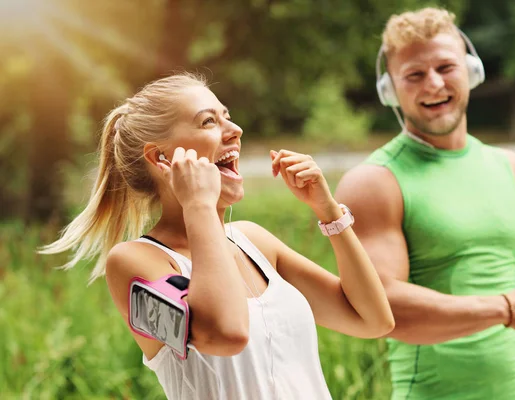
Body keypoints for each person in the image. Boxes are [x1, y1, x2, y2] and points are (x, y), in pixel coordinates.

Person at [40, 72, 395, 400]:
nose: (235, 129)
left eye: (227, 116)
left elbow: (373, 320)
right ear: (161, 158)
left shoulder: (255, 241)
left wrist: (329, 211)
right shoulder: (134, 263)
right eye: (208, 121)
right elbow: (225, 334)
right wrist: (198, 205)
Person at [335, 7, 515, 400]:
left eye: (446, 67)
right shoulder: (373, 183)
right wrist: (505, 308)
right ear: (389, 90)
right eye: (415, 74)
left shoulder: (512, 169)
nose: (434, 84)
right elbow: (383, 306)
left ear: (471, 70)